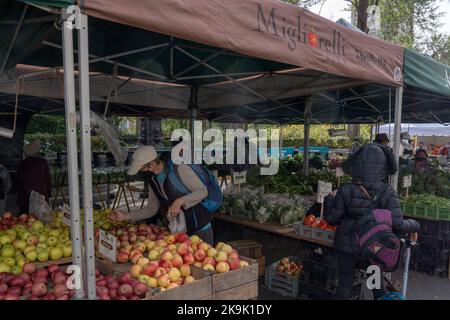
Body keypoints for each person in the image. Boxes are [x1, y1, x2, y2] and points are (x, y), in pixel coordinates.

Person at [324, 143, 415, 300]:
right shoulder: (387, 191)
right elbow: (398, 224)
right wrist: (414, 225)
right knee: (376, 286)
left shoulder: (346, 189)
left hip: (346, 245)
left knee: (344, 284)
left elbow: (332, 219)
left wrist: (329, 199)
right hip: (375, 246)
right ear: (384, 165)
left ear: (357, 164)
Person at [113, 146, 214, 244]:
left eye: (142, 169)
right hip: (179, 230)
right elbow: (151, 209)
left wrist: (179, 201)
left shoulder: (179, 168)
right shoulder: (153, 180)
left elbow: (202, 191)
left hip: (199, 228)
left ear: (152, 163)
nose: (142, 173)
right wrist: (125, 216)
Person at [16, 141, 52, 213]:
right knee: (42, 219)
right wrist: (48, 193)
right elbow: (47, 180)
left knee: (27, 219)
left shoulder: (22, 164)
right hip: (41, 195)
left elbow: (18, 181)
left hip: (26, 197)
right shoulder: (42, 162)